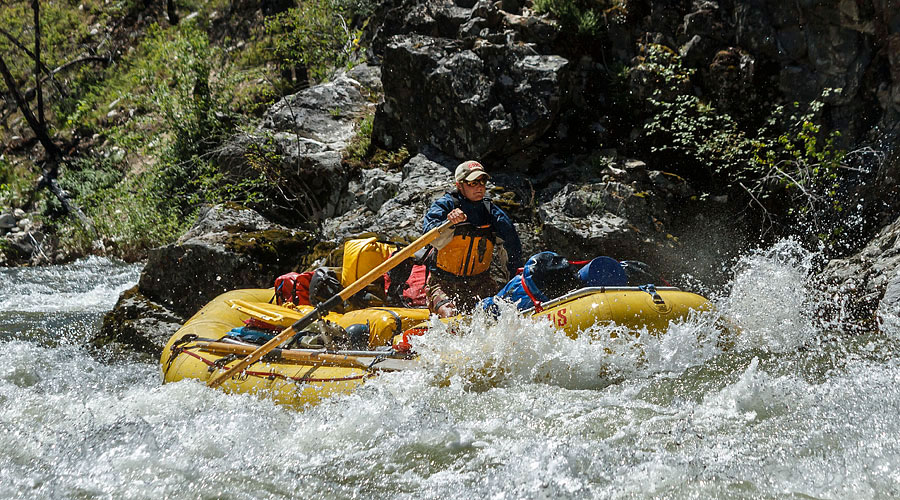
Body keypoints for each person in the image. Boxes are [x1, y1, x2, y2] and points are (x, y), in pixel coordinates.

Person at [422, 160, 523, 317]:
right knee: (450, 314)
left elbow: (512, 251)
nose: (479, 186)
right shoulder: (445, 206)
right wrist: (449, 223)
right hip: (442, 283)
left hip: (480, 284)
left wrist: (515, 286)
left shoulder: (492, 214)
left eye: (482, 181)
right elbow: (430, 238)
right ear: (459, 185)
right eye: (473, 182)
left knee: (502, 313)